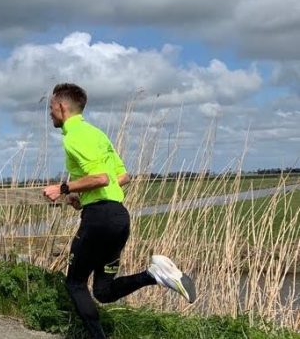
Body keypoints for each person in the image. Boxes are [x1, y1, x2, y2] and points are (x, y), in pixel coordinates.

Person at [41, 83, 196, 338]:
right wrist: (85, 196)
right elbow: (122, 177)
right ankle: (153, 275)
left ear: (61, 107)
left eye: (51, 108)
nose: (50, 113)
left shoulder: (74, 137)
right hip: (118, 218)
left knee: (75, 283)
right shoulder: (98, 135)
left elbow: (102, 178)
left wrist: (64, 188)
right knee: (103, 291)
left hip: (98, 221)